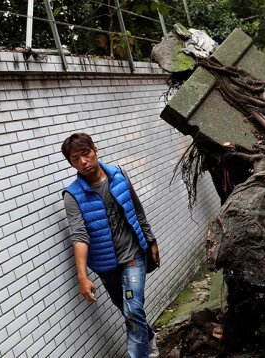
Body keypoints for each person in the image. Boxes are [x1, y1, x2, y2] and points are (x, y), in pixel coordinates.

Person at [61, 132, 160, 358]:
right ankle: (150, 336)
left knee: (133, 309)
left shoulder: (119, 174)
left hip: (133, 255)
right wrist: (82, 276)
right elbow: (79, 237)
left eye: (85, 154)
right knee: (129, 312)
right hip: (106, 266)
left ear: (95, 150)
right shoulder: (72, 195)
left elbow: (137, 208)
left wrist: (151, 240)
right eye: (75, 159)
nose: (82, 162)